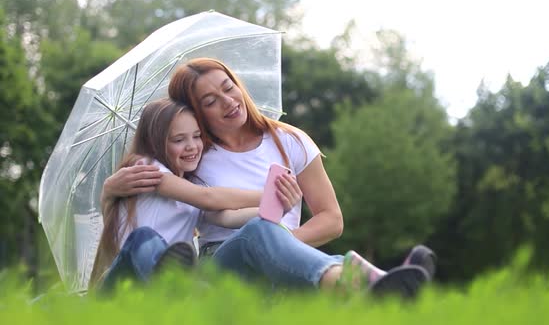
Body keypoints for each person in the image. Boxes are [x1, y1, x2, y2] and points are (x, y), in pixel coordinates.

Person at [103, 58, 435, 297]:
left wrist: (278, 251)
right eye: (210, 101)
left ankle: (377, 284)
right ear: (196, 113)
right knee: (260, 230)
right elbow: (215, 209)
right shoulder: (197, 157)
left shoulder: (289, 140)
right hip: (221, 262)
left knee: (264, 231)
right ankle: (363, 283)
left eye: (228, 88)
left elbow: (332, 220)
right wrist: (109, 189)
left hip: (287, 251)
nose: (228, 102)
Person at [91, 98, 302, 291]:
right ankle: (177, 283)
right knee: (144, 238)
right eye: (178, 140)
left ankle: (175, 284)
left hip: (154, 289)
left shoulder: (188, 190)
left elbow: (227, 217)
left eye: (197, 136)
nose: (192, 146)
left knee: (254, 229)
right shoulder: (146, 168)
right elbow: (207, 198)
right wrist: (265, 193)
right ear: (156, 142)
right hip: (123, 280)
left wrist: (275, 205)